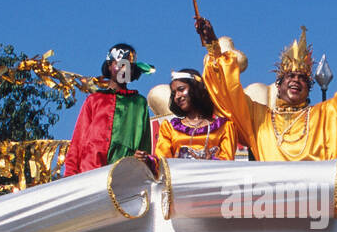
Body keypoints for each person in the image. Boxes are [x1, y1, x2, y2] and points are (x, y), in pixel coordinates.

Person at [195, 19, 337, 177]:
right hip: (270, 203)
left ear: (308, 88)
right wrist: (213, 47)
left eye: (302, 78)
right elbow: (228, 95)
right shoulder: (259, 118)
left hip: (318, 202)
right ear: (279, 85)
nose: (296, 81)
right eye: (290, 77)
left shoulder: (325, 115)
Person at [64, 42, 155, 176]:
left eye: (129, 66)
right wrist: (69, 176)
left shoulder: (139, 103)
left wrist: (143, 163)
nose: (124, 69)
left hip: (124, 175)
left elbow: (144, 145)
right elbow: (78, 142)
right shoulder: (94, 100)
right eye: (120, 64)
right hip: (89, 172)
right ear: (109, 65)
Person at [154, 67, 237, 161]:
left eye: (181, 89)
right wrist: (147, 160)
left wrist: (211, 161)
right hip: (179, 175)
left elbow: (228, 163)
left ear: (196, 88)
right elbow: (163, 162)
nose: (177, 96)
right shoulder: (169, 128)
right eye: (174, 93)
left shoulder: (225, 127)